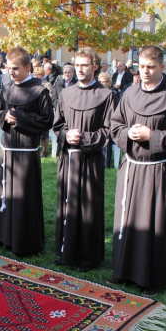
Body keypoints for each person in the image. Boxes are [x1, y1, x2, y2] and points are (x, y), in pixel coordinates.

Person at [109, 45, 166, 296]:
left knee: (154, 222)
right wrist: (129, 134)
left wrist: (152, 136)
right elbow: (116, 125)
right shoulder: (129, 92)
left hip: (159, 170)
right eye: (141, 67)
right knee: (127, 220)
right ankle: (123, 270)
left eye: (151, 67)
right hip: (132, 168)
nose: (145, 72)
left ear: (162, 67)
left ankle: (152, 277)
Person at [53, 47, 114, 271]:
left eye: (85, 65)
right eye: (77, 65)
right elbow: (57, 124)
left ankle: (88, 256)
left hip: (90, 161)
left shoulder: (106, 96)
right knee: (66, 204)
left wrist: (85, 138)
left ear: (95, 67)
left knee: (88, 207)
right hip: (68, 158)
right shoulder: (66, 93)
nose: (79, 69)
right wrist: (65, 134)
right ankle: (64, 251)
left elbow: (110, 130)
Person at [0, 47, 54, 255]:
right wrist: (6, 115)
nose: (12, 73)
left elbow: (46, 120)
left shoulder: (40, 90)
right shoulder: (7, 88)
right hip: (7, 149)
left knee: (23, 195)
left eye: (16, 68)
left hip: (26, 150)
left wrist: (20, 118)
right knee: (5, 193)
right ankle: (4, 235)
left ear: (28, 67)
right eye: (9, 69)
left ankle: (24, 238)